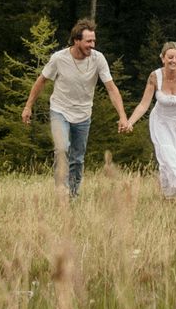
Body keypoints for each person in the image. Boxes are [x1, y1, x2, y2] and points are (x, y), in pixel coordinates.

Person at [21, 18, 129, 198]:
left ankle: (73, 194)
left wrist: (122, 116)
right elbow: (41, 81)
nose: (92, 45)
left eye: (94, 41)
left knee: (77, 158)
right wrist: (28, 107)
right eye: (88, 41)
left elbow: (111, 87)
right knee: (62, 148)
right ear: (76, 40)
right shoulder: (59, 58)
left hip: (83, 114)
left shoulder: (98, 59)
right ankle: (61, 191)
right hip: (60, 110)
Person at [125, 41, 176, 197]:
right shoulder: (155, 76)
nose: (174, 61)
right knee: (167, 157)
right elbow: (143, 105)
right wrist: (129, 122)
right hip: (161, 122)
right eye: (170, 57)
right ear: (163, 58)